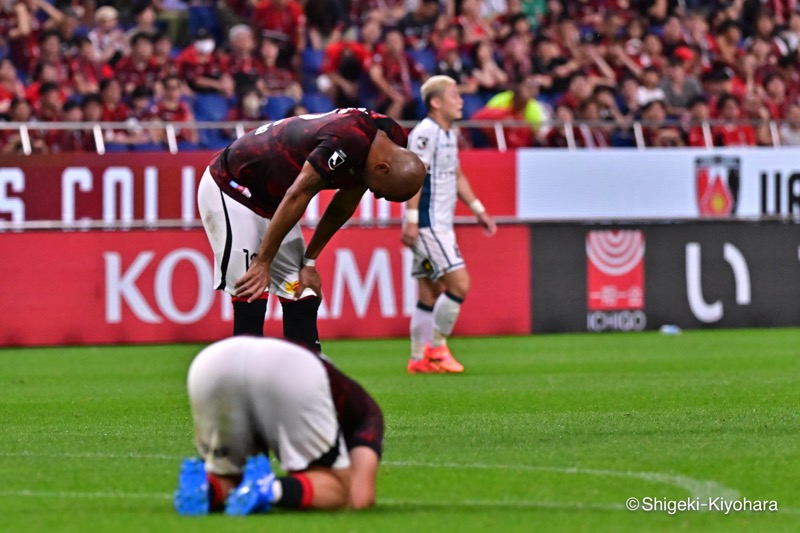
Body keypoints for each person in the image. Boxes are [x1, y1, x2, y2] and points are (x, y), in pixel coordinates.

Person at [198, 107, 425, 351]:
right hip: (233, 185)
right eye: (383, 192)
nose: (378, 196)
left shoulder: (391, 139)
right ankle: (242, 384)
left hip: (272, 199)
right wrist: (263, 261)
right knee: (250, 289)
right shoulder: (348, 140)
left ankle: (306, 380)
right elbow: (299, 193)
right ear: (383, 168)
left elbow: (343, 205)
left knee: (301, 292)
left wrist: (309, 263)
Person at [174, 336, 383, 514]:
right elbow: (358, 498)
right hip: (291, 371)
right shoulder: (367, 415)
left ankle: (205, 488)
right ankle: (268, 488)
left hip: (212, 361)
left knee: (228, 474)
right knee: (338, 489)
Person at [401, 76, 497, 374]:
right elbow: (414, 176)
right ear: (436, 102)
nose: (461, 100)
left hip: (440, 224)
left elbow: (456, 176)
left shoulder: (448, 134)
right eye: (455, 95)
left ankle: (418, 359)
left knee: (429, 293)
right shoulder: (425, 134)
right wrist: (413, 220)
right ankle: (438, 348)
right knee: (460, 284)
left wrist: (478, 209)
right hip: (429, 225)